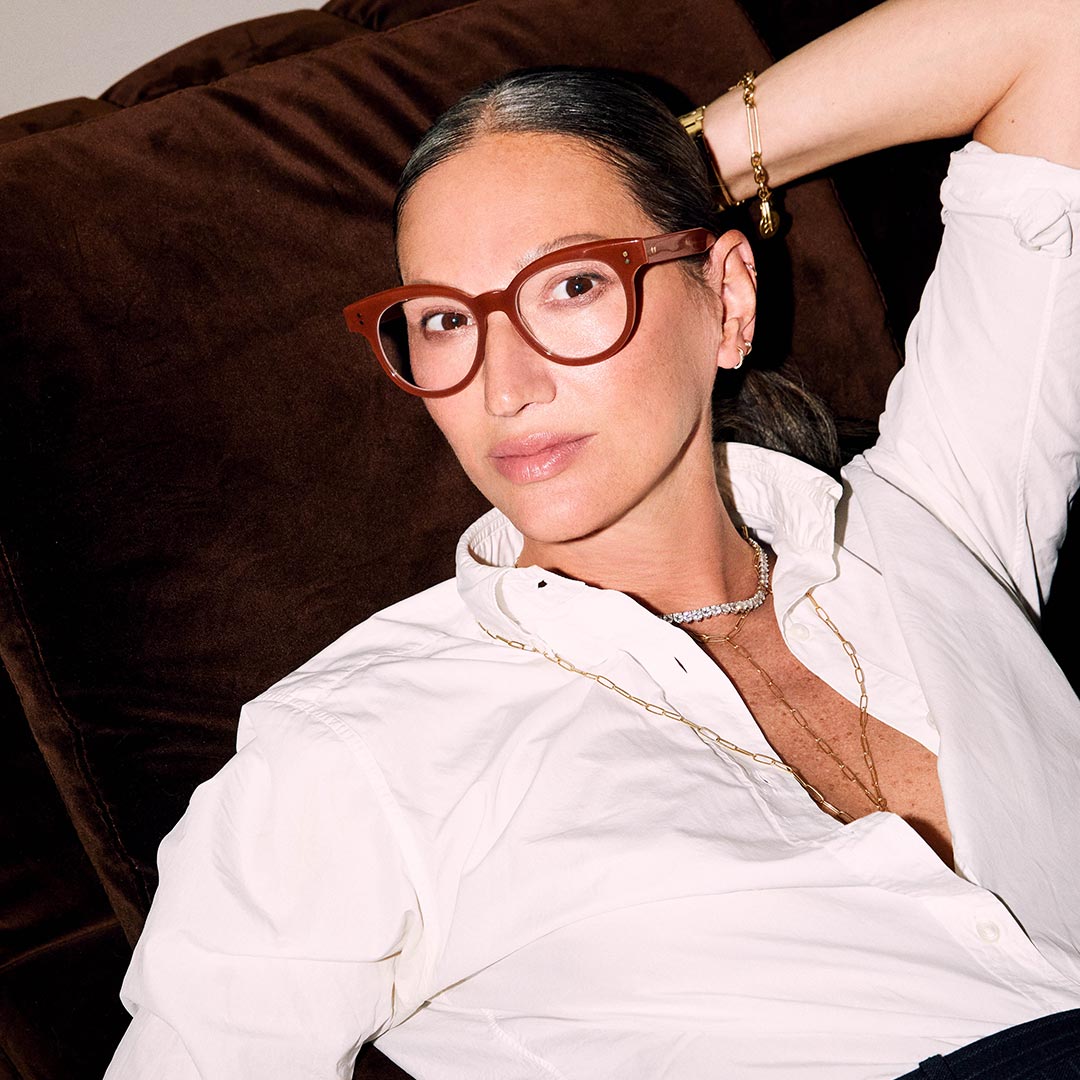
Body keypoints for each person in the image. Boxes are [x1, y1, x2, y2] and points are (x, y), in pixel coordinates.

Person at [104, 0, 1080, 1077]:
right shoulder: (348, 750)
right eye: (445, 320)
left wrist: (671, 166)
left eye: (574, 284)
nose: (505, 385)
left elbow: (1052, 32)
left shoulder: (934, 522)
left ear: (729, 299)